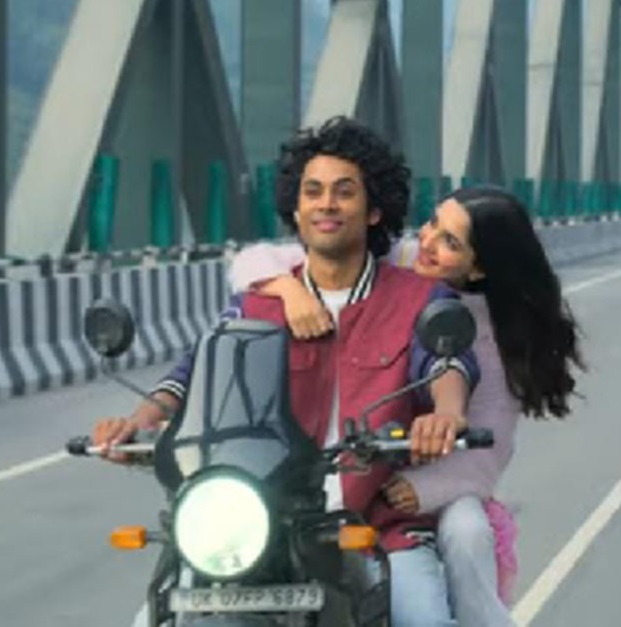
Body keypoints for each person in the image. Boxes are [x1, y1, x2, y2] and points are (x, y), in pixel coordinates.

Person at [93, 116, 481, 626]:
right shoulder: (257, 306)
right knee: (153, 619)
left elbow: (447, 362)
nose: (326, 204)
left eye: (344, 192)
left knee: (425, 619)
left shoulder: (417, 298)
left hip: (376, 527)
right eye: (313, 191)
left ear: (374, 210)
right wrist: (136, 424)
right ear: (296, 209)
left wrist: (446, 415)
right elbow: (189, 377)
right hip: (263, 530)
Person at [229, 185, 585, 626]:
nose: (429, 242)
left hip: (434, 482)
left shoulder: (493, 340)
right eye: (433, 223)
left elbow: (486, 453)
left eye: (450, 242)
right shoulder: (400, 261)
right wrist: (289, 289)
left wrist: (423, 488)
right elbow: (251, 261)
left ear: (478, 267)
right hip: (358, 468)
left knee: (467, 533)